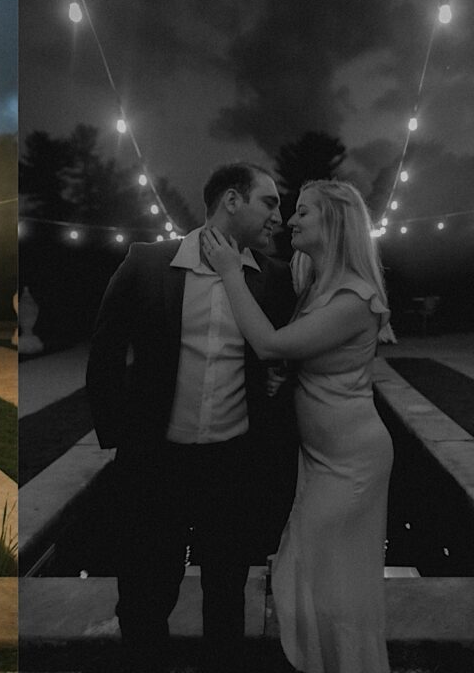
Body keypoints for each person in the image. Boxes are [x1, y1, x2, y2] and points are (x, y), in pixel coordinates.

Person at [86, 163, 297, 673]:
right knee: (145, 593)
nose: (279, 216)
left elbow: (291, 355)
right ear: (231, 200)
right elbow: (105, 350)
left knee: (226, 594)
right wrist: (118, 435)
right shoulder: (146, 263)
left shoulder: (274, 278)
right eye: (269, 202)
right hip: (155, 461)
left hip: (233, 463)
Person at [201, 179, 393, 673]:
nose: (291, 220)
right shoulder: (314, 283)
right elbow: (302, 353)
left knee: (330, 581)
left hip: (352, 461)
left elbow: (269, 343)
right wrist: (287, 375)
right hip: (319, 458)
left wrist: (228, 272)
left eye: (303, 212)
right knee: (307, 569)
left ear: (333, 221)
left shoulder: (355, 297)